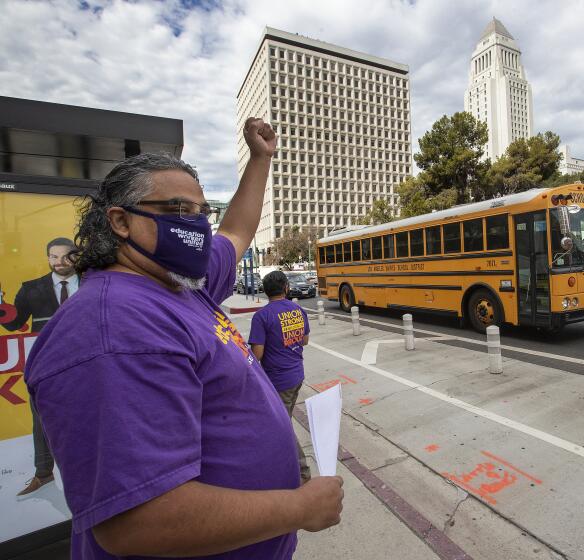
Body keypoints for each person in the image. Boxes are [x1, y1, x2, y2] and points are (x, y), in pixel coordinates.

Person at [24, 118, 343, 559]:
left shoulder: (178, 284)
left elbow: (236, 231)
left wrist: (261, 159)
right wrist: (300, 507)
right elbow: (139, 522)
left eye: (200, 213)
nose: (196, 226)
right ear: (120, 221)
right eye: (178, 211)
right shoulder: (115, 328)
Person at [1, 237, 79, 497]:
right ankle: (43, 473)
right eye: (53, 257)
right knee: (41, 418)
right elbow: (14, 324)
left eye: (66, 256)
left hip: (87, 362)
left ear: (76, 256)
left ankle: (83, 470)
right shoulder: (31, 288)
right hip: (45, 365)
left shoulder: (94, 282)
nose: (59, 262)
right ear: (47, 258)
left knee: (89, 414)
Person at [248, 271, 311, 483]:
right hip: (296, 375)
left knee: (282, 427)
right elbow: (304, 341)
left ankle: (302, 472)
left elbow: (257, 354)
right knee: (284, 420)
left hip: (278, 381)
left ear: (266, 291)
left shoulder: (262, 316)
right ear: (286, 287)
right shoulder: (298, 309)